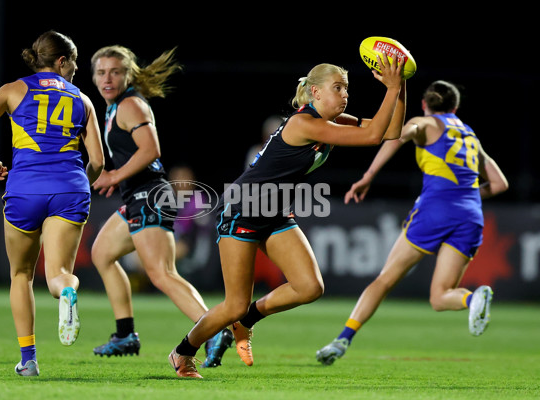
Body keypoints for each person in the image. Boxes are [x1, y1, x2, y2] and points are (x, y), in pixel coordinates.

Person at [169, 53, 407, 378]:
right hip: (242, 208)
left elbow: (391, 132)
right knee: (233, 304)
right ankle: (183, 353)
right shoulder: (304, 123)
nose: (345, 95)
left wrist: (401, 84)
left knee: (309, 287)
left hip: (273, 210)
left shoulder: (330, 123)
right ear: (316, 92)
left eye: (347, 89)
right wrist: (391, 90)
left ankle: (246, 321)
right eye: (338, 88)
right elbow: (373, 136)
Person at [316, 80, 509, 366]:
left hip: (435, 211)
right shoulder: (470, 135)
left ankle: (342, 340)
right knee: (440, 297)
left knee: (384, 280)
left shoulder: (427, 123)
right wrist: (465, 193)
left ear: (425, 105)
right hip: (471, 216)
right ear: (455, 107)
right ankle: (473, 299)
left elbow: (397, 136)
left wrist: (369, 175)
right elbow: (500, 183)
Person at [0, 30, 105, 377]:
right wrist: (74, 184)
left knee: (21, 275)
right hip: (70, 189)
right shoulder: (83, 101)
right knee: (58, 274)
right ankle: (68, 293)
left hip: (24, 190)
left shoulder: (13, 90)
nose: (75, 70)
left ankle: (28, 360)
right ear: (61, 61)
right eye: (73, 63)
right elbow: (98, 162)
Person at [89, 45, 233, 367]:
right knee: (102, 253)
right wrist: (117, 178)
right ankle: (125, 334)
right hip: (138, 196)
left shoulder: (130, 105)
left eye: (115, 71)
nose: (107, 78)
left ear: (129, 74)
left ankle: (213, 330)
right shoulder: (114, 108)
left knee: (162, 274)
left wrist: (114, 174)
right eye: (101, 72)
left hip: (149, 195)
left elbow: (151, 150)